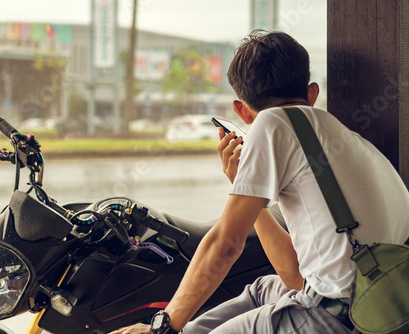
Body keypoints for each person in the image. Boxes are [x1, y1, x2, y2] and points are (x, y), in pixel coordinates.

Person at [110, 30, 409, 334]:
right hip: (374, 302)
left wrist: (162, 326)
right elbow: (294, 274)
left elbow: (226, 245)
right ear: (312, 94)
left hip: (339, 317)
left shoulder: (272, 122)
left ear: (241, 110)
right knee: (263, 289)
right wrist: (245, 185)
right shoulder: (344, 136)